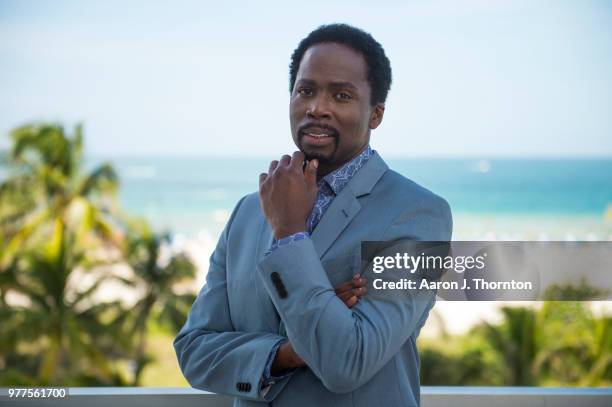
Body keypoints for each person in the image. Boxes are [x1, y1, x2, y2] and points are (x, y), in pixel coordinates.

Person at [174, 23, 452, 406]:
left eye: (341, 95)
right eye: (306, 90)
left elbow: (349, 361)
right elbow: (193, 350)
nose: (317, 108)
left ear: (375, 114)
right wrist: (287, 353)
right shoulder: (248, 211)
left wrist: (289, 233)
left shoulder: (421, 215)